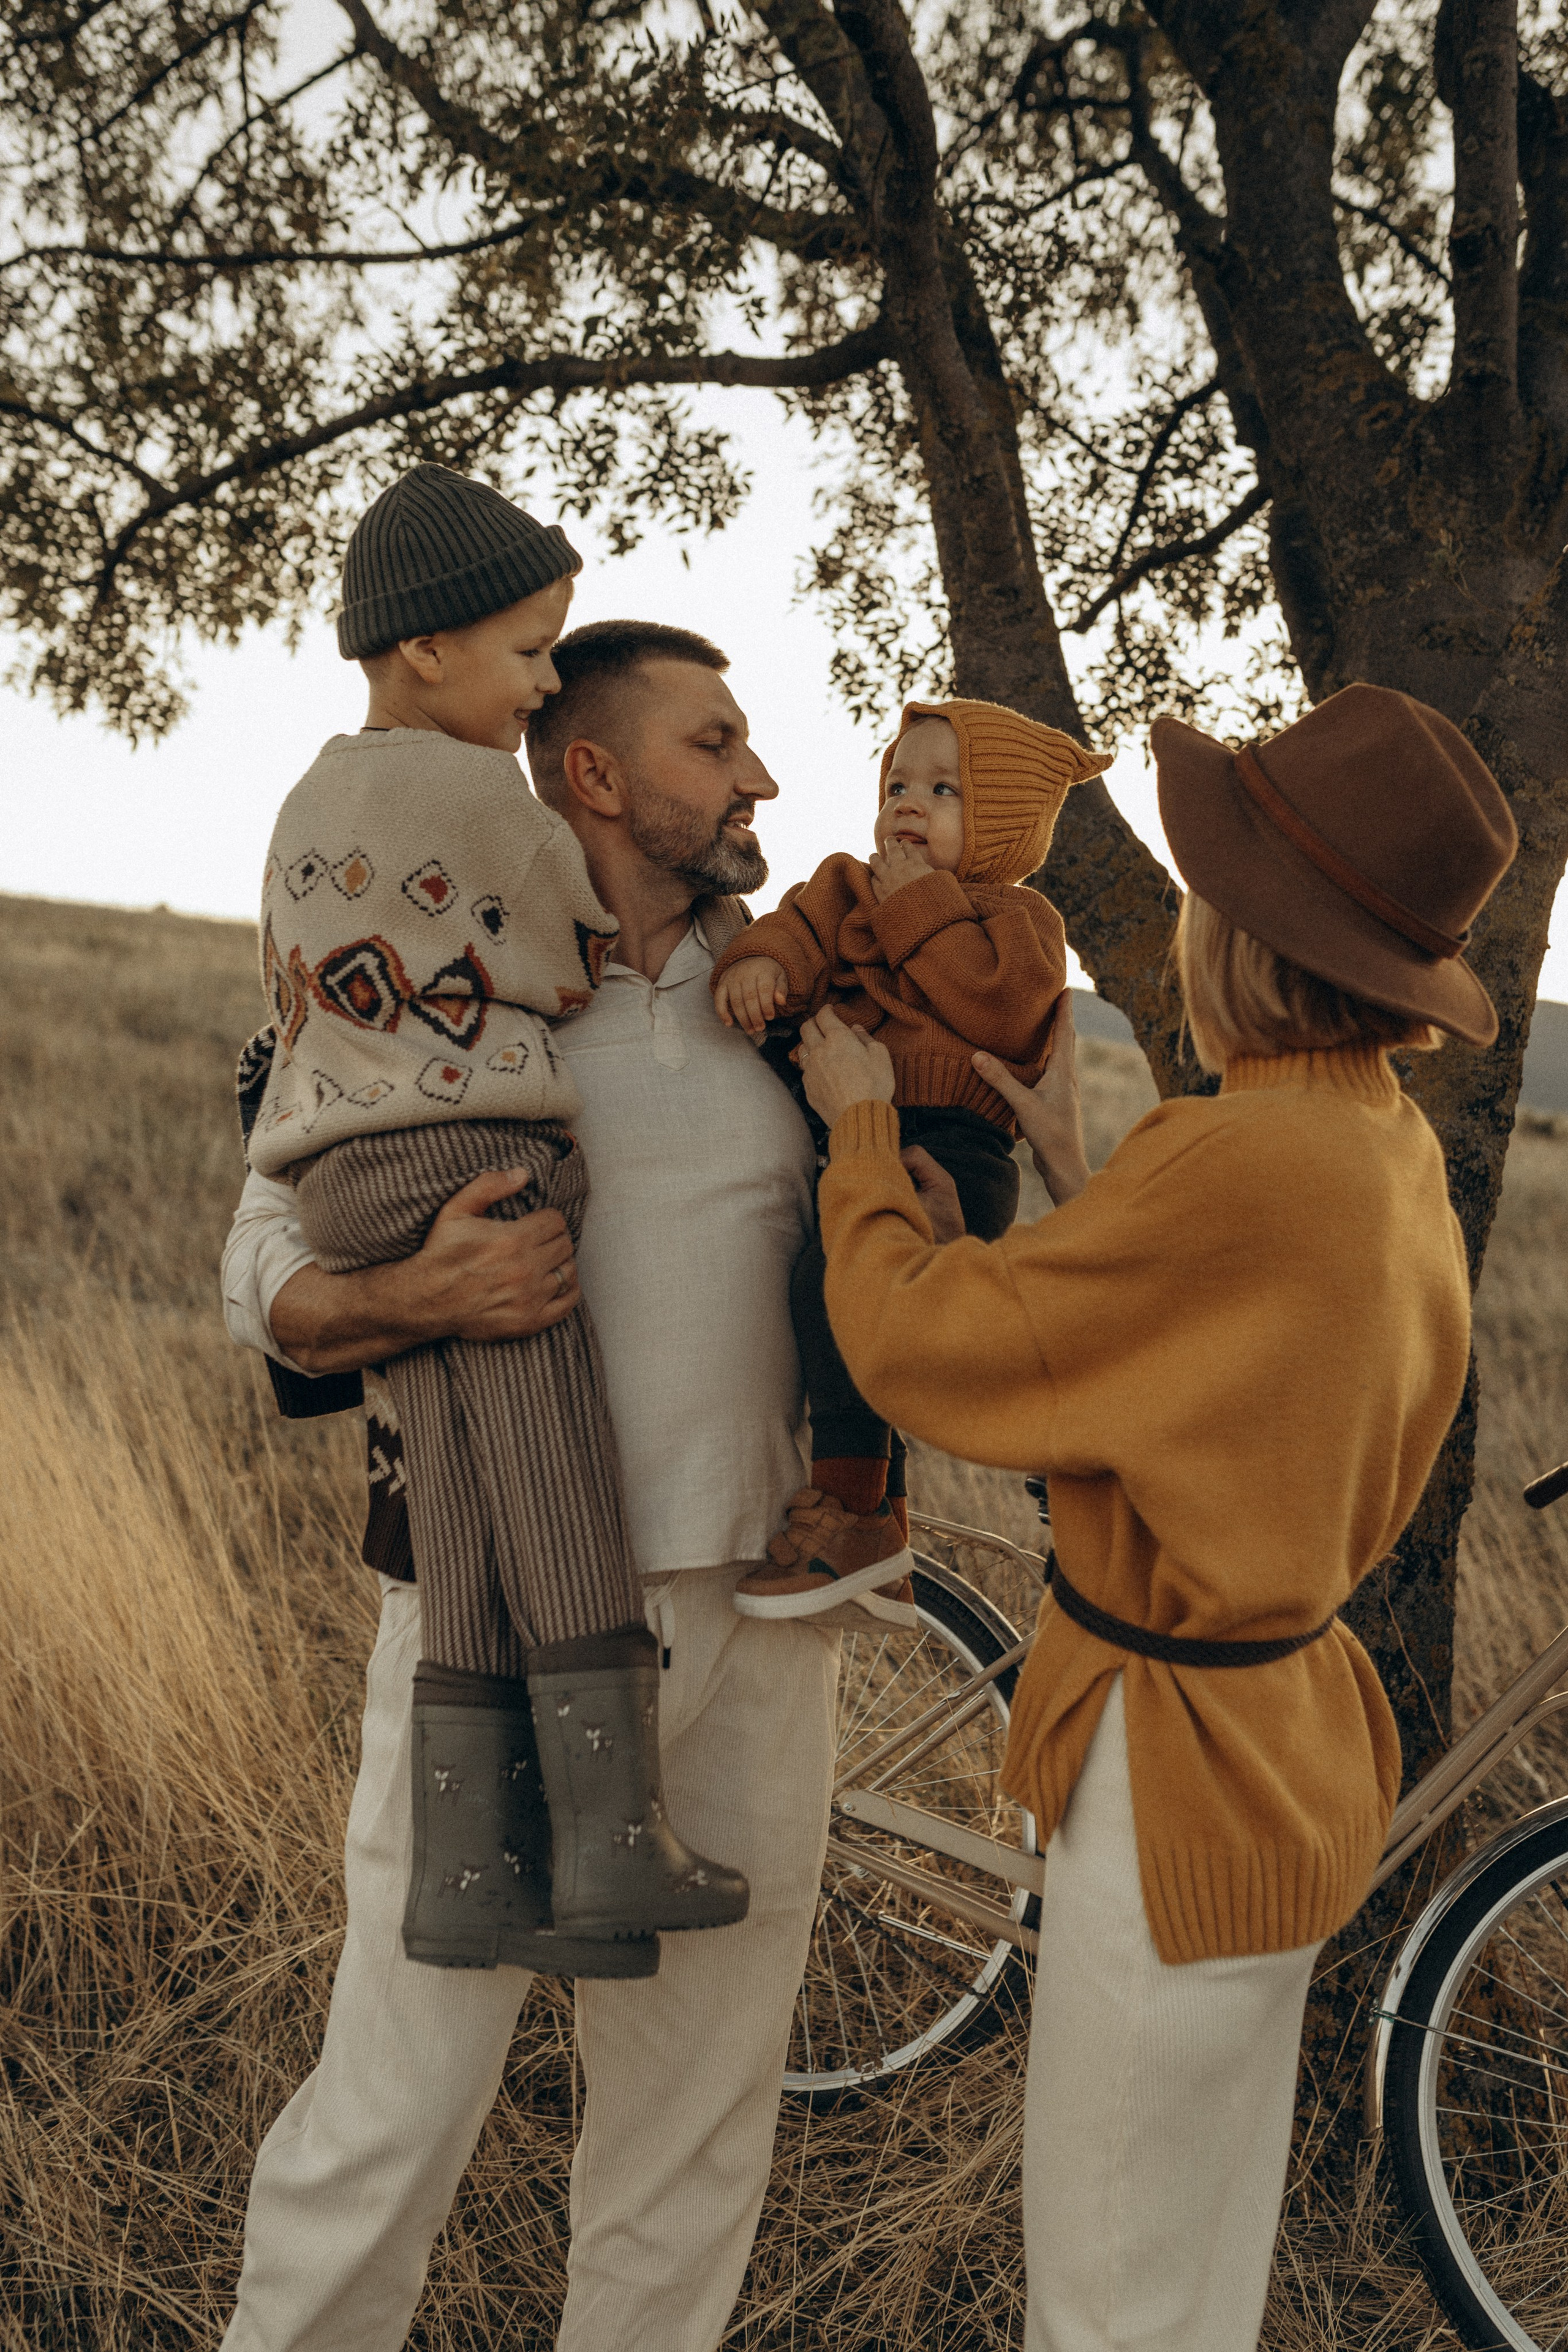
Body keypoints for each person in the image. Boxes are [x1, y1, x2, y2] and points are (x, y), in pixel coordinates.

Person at [790, 682, 1516, 2351]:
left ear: (1248, 941)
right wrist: (1078, 1168)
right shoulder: (1377, 1145)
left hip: (1170, 1781)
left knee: (1103, 2296)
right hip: (1294, 1768)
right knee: (1195, 2282)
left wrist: (858, 1138)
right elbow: (1221, 1355)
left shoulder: (1233, 1159)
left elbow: (925, 1343)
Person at [218, 619, 864, 2352]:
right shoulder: (424, 960)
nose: (759, 781)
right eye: (714, 747)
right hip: (487, 1621)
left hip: (767, 1616)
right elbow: (260, 1254)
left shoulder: (807, 1000)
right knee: (399, 2104)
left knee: (698, 2127)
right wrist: (399, 1298)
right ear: (591, 773)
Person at [251, 463, 744, 1968]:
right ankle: (607, 1840)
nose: (536, 693)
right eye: (527, 653)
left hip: (348, 1172)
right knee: (551, 1474)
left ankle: (469, 1873)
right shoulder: (480, 800)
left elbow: (303, 989)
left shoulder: (301, 799)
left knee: (459, 1513)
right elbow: (555, 925)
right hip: (472, 1159)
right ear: (429, 650)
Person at [710, 697, 1107, 1625]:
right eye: (898, 783)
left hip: (956, 1148)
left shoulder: (1021, 922)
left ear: (1004, 828)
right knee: (813, 1289)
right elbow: (798, 930)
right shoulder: (847, 883)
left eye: (944, 790)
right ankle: (868, 1513)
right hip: (847, 1129)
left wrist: (918, 907)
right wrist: (755, 965)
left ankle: (856, 1508)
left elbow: (1000, 1009)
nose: (909, 804)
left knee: (850, 1287)